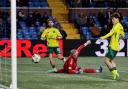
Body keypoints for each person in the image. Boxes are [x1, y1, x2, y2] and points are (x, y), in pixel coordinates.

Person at [99, 12, 125, 80]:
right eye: (112, 19)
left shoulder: (116, 26)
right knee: (111, 60)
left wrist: (103, 37)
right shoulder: (120, 26)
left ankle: (115, 73)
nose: (112, 21)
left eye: (113, 19)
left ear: (117, 19)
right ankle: (115, 73)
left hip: (113, 46)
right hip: (115, 46)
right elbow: (123, 35)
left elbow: (110, 33)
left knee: (106, 61)